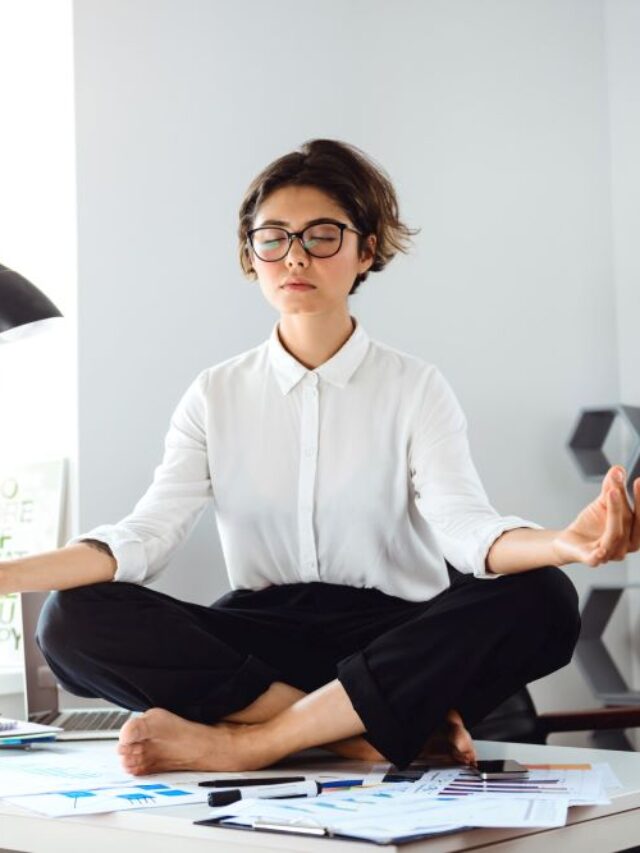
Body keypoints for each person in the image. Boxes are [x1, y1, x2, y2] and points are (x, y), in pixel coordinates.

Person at [2, 139, 638, 777]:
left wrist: (568, 545)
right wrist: (7, 576)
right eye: (272, 237)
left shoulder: (415, 387)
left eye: (322, 235)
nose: (295, 256)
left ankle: (250, 743)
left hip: (393, 643)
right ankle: (352, 734)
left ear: (366, 250)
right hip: (261, 643)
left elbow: (467, 529)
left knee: (546, 600)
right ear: (251, 255)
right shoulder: (215, 393)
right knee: (70, 617)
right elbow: (144, 535)